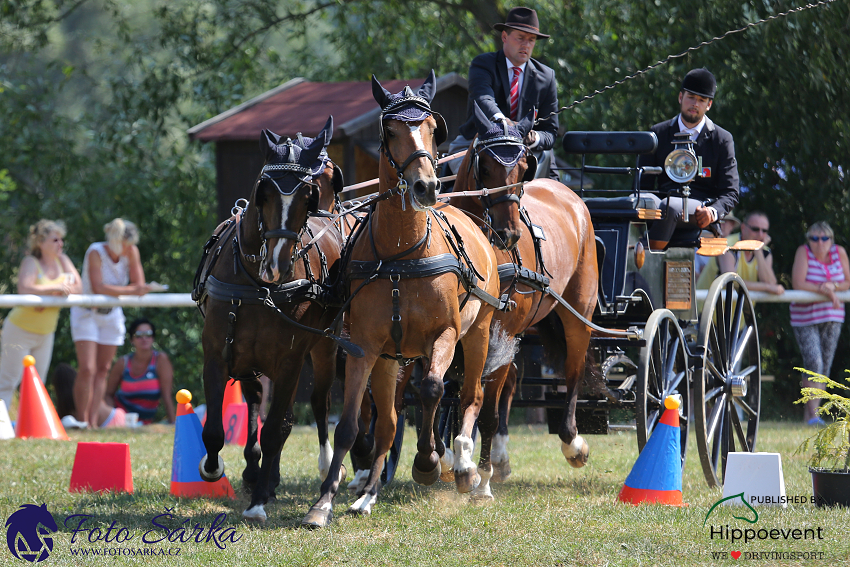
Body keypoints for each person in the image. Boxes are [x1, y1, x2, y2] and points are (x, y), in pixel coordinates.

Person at [447, 7, 559, 177]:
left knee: (550, 176)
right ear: (505, 37)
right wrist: (505, 124)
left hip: (524, 151)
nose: (526, 45)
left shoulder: (547, 77)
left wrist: (534, 137)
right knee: (448, 188)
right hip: (479, 142)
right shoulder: (483, 64)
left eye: (532, 40)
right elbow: (483, 98)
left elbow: (550, 133)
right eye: (520, 38)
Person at [638, 68, 739, 250]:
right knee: (635, 201)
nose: (695, 104)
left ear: (709, 105)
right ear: (680, 97)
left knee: (672, 207)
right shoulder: (657, 133)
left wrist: (712, 212)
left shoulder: (722, 140)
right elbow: (642, 185)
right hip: (662, 201)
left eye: (701, 100)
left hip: (700, 207)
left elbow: (731, 192)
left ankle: (644, 255)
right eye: (691, 97)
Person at [68, 218, 150, 429]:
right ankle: (82, 419)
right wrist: (132, 291)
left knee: (103, 368)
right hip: (87, 313)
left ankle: (93, 422)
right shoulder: (96, 251)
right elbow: (98, 287)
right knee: (87, 368)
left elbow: (138, 283)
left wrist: (134, 287)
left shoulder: (131, 251)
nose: (129, 248)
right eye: (126, 243)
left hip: (111, 314)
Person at [0, 220, 82, 412]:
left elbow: (79, 288)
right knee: (8, 379)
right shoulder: (31, 262)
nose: (60, 244)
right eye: (55, 239)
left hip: (46, 332)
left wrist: (49, 292)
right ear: (40, 242)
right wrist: (54, 289)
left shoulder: (63, 260)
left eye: (61, 239)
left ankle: (28, 426)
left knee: (37, 382)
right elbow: (25, 288)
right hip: (19, 329)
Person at [790, 221, 850, 425]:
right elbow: (798, 283)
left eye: (824, 238)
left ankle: (810, 416)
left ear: (831, 240)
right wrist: (824, 289)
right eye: (814, 238)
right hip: (805, 317)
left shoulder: (839, 253)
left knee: (824, 366)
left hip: (833, 316)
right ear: (809, 240)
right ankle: (814, 416)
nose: (819, 242)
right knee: (814, 362)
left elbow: (847, 282)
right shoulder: (803, 252)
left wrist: (832, 285)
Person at [100, 318, 175, 426]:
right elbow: (108, 394)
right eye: (139, 335)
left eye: (148, 334)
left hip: (145, 422)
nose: (144, 338)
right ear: (132, 339)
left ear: (153, 338)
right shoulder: (123, 363)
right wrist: (112, 417)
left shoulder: (160, 360)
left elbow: (166, 396)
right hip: (121, 418)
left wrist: (173, 423)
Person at [717, 211, 784, 295]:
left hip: (738, 307)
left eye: (764, 231)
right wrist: (766, 287)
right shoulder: (728, 245)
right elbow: (730, 282)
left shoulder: (765, 252)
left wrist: (758, 251)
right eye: (755, 229)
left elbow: (771, 283)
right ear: (743, 228)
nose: (760, 234)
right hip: (706, 306)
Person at [696, 212, 741, 289]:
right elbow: (693, 276)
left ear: (732, 225)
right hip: (703, 297)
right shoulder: (698, 245)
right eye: (717, 221)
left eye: (725, 221)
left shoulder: (738, 248)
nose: (720, 224)